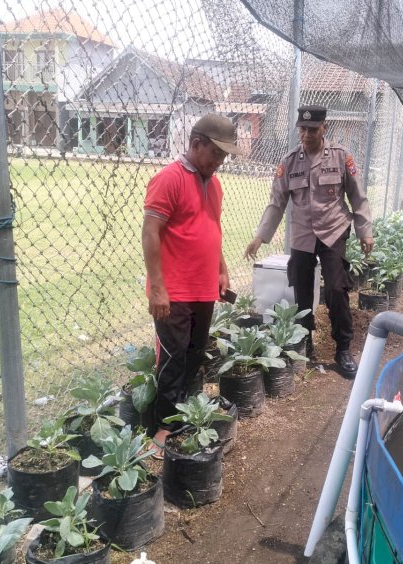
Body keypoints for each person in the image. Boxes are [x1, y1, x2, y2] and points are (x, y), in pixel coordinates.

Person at [244, 105, 373, 378]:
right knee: (301, 292)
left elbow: (358, 196)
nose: (306, 135)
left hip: (334, 230)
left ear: (324, 127)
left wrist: (364, 231)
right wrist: (260, 236)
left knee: (337, 289)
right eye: (302, 129)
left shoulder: (341, 157)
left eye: (312, 129)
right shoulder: (289, 162)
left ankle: (343, 348)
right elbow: (276, 203)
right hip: (302, 234)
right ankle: (306, 342)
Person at [142, 113, 242, 457]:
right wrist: (157, 288)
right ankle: (165, 428)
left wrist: (222, 270)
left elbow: (212, 230)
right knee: (172, 361)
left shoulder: (213, 184)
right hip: (174, 293)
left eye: (224, 156)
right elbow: (150, 232)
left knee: (195, 354)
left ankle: (186, 419)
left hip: (203, 290)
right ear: (196, 144)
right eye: (216, 154)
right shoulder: (167, 179)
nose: (220, 162)